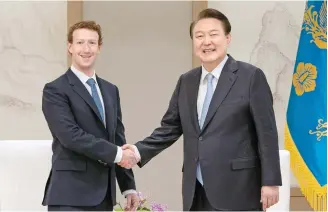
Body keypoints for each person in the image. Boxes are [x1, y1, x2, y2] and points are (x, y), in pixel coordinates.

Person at [120, 8, 282, 211]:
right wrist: (137, 151)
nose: (207, 41)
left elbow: (266, 132)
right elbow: (169, 128)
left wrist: (271, 181)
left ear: (228, 38)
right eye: (199, 36)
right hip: (195, 190)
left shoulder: (250, 77)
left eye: (213, 34)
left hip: (238, 188)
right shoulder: (186, 81)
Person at [41, 21, 139, 211]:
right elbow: (71, 136)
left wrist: (128, 188)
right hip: (70, 196)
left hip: (104, 197)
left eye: (92, 43)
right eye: (80, 43)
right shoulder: (55, 90)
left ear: (99, 47)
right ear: (70, 46)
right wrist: (118, 155)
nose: (86, 49)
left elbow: (118, 138)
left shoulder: (111, 90)